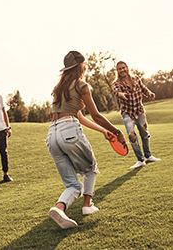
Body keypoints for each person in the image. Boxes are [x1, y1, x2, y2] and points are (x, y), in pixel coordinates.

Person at [46, 51, 126, 229]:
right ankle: (87, 205)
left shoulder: (59, 89)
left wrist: (104, 131)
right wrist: (117, 131)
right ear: (80, 66)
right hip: (69, 131)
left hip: (52, 135)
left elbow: (79, 116)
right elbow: (96, 115)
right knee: (90, 168)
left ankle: (59, 208)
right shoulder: (82, 86)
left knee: (73, 185)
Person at [112, 61, 161, 169]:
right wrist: (121, 94)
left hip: (139, 111)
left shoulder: (136, 79)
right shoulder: (116, 83)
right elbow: (116, 91)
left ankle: (148, 156)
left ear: (127, 68)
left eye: (123, 68)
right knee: (132, 135)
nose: (122, 70)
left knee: (144, 134)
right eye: (119, 69)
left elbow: (143, 88)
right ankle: (140, 160)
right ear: (117, 71)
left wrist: (150, 93)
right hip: (127, 113)